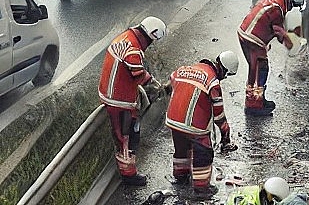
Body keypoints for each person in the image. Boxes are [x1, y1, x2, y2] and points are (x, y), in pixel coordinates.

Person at [98, 16, 167, 186]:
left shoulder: (125, 38)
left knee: (129, 132)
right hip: (119, 100)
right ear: (151, 35)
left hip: (111, 92)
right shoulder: (133, 50)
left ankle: (128, 168)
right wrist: (156, 85)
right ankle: (128, 175)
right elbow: (139, 75)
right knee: (126, 137)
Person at [165, 50, 240, 197]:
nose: (224, 77)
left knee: (181, 148)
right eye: (226, 74)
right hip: (194, 125)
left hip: (173, 120)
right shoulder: (213, 82)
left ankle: (180, 176)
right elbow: (219, 115)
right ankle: (201, 188)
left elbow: (170, 83)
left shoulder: (184, 69)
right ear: (223, 69)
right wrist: (226, 134)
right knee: (204, 152)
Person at [238, 0, 304, 116]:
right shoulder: (277, 9)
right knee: (261, 68)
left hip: (245, 33)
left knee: (253, 69)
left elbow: (267, 23)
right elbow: (278, 31)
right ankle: (255, 105)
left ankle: (253, 100)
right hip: (253, 39)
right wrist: (290, 43)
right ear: (292, 1)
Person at [226, 176, 291, 205]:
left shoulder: (257, 190)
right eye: (274, 198)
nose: (273, 202)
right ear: (269, 193)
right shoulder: (250, 202)